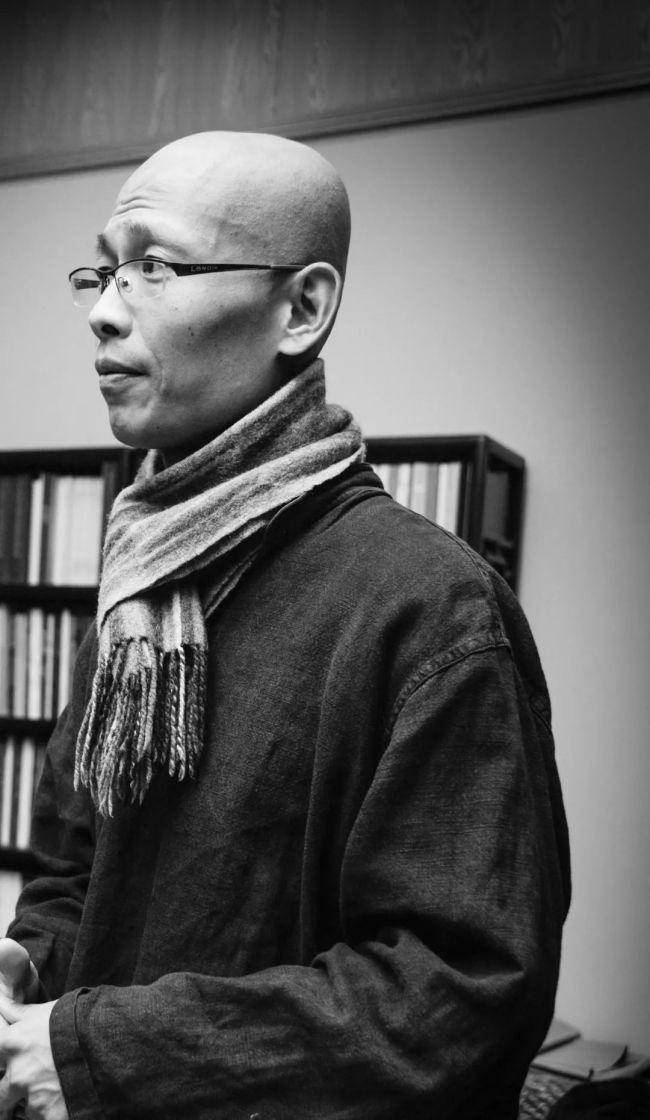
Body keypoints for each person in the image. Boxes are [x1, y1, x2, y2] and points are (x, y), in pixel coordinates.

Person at [0, 131, 570, 1120]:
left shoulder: (431, 608)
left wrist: (104, 1054)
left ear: (301, 308)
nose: (103, 309)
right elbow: (74, 871)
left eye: (154, 267)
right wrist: (28, 961)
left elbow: (459, 999)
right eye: (104, 269)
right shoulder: (140, 590)